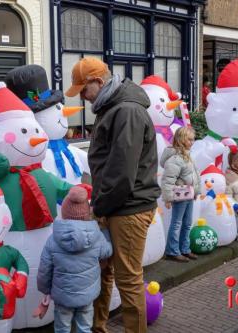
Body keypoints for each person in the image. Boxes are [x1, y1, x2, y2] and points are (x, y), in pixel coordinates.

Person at [65, 57, 160, 333]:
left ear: (99, 81)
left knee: (128, 279)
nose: (82, 96)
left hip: (127, 207)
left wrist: (99, 208)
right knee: (103, 268)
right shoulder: (111, 107)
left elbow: (121, 173)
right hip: (116, 204)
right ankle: (99, 326)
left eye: (84, 89)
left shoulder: (126, 111)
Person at [35, 186, 113, 333]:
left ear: (64, 213)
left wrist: (45, 290)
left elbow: (44, 269)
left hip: (62, 297)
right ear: (86, 214)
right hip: (87, 296)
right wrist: (107, 233)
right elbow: (107, 251)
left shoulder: (53, 240)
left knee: (62, 328)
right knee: (84, 327)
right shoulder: (97, 237)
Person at [160, 127, 201, 262]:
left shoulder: (186, 156)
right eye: (189, 139)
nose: (192, 142)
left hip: (188, 195)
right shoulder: (176, 158)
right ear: (181, 140)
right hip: (180, 195)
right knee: (177, 223)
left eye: (193, 139)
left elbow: (194, 175)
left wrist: (195, 191)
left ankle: (184, 249)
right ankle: (172, 251)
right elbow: (168, 180)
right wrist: (167, 198)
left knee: (187, 223)